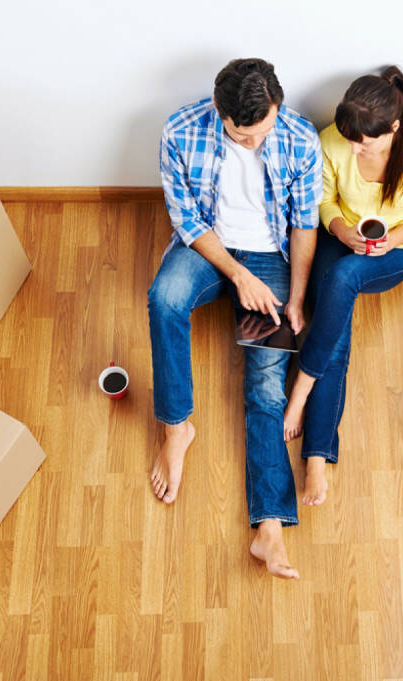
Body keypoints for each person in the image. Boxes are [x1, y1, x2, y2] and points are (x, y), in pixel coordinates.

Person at [147, 58, 322, 579]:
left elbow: (304, 224)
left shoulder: (298, 137)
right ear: (219, 112)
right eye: (242, 136)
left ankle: (268, 527)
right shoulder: (180, 131)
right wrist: (236, 275)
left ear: (277, 107)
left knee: (266, 383)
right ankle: (176, 428)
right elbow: (188, 220)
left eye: (262, 132)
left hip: (271, 260)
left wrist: (295, 296)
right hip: (209, 248)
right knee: (164, 298)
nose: (254, 144)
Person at [282, 66, 403, 505]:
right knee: (336, 319)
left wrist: (390, 239)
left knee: (342, 279)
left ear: (395, 128)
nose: (355, 148)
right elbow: (322, 199)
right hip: (342, 240)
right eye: (350, 139)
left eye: (366, 142)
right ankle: (317, 454)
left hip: (392, 252)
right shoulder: (331, 142)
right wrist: (339, 231)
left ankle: (301, 387)